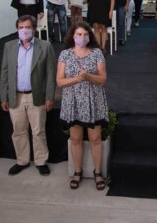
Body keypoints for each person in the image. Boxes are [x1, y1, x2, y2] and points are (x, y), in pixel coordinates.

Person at [0, 15, 56, 176]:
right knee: (18, 131)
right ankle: (22, 160)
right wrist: (3, 96)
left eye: (27, 27)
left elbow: (50, 74)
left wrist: (50, 96)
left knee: (38, 131)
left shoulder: (45, 47)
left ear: (34, 29)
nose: (24, 30)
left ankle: (41, 161)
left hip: (36, 95)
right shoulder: (9, 46)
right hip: (15, 96)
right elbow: (5, 72)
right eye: (21, 27)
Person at [57, 22, 109, 190]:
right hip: (72, 102)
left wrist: (88, 77)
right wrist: (78, 79)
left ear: (90, 36)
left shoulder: (97, 53)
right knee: (75, 139)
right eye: (79, 34)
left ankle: (98, 172)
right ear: (72, 36)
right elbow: (60, 81)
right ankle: (77, 171)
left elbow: (102, 79)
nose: (82, 37)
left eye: (85, 34)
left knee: (95, 139)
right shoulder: (65, 54)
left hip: (93, 101)